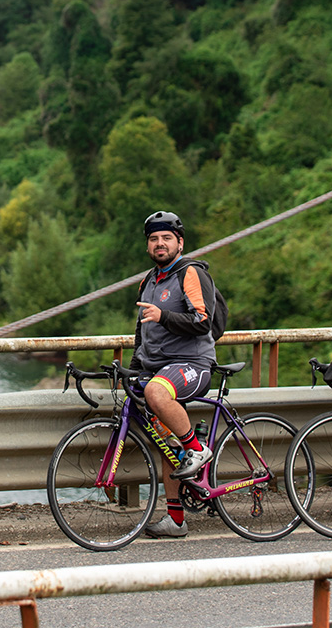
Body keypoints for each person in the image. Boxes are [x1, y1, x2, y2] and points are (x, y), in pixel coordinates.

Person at [131, 210, 217, 539]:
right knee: (165, 441)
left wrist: (164, 315)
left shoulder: (190, 273)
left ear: (180, 243)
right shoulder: (148, 282)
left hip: (192, 364)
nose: (159, 243)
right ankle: (177, 519)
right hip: (159, 367)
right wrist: (133, 369)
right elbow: (142, 334)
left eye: (167, 237)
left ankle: (197, 449)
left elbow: (203, 321)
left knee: (156, 394)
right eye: (154, 239)